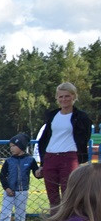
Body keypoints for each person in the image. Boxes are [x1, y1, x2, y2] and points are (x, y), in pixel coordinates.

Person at [39, 82, 92, 210]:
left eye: (67, 96)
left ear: (74, 96)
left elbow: (84, 137)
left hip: (69, 157)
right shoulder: (52, 115)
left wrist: (80, 158)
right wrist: (43, 163)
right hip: (50, 157)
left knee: (69, 195)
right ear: (57, 98)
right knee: (53, 198)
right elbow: (45, 138)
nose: (64, 99)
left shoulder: (81, 117)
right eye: (61, 96)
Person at [0, 132, 41, 221]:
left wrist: (42, 171)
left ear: (21, 146)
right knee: (5, 212)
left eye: (13, 146)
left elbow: (37, 174)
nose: (11, 148)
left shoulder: (30, 160)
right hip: (9, 192)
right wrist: (7, 188)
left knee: (20, 213)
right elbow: (2, 175)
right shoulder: (9, 161)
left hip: (22, 191)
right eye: (10, 146)